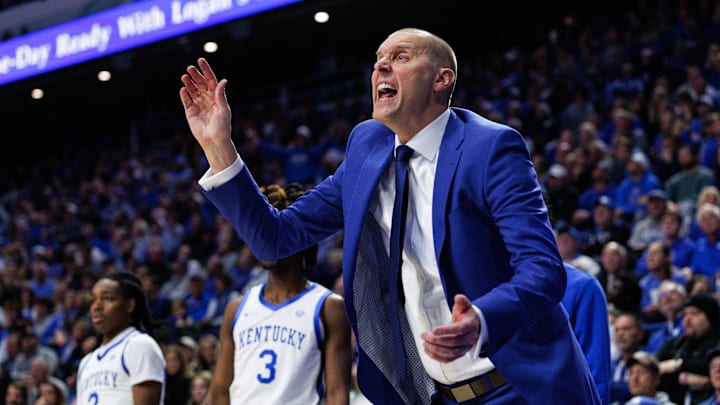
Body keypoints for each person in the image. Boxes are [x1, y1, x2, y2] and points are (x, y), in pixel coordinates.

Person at [180, 27, 600, 403]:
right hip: (433, 395)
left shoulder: (490, 148)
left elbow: (543, 269)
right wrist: (219, 147)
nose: (382, 64)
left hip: (515, 386)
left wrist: (483, 319)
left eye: (401, 56)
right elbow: (275, 237)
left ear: (442, 80)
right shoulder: (367, 147)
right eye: (379, 58)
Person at [205, 183, 352, 405]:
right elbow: (218, 392)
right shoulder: (237, 307)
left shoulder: (328, 307)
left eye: (270, 230)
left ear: (298, 235)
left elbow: (337, 394)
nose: (262, 238)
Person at [75, 271, 166, 405]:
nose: (97, 306)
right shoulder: (87, 362)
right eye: (93, 299)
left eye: (107, 298)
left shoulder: (139, 345)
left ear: (129, 305)